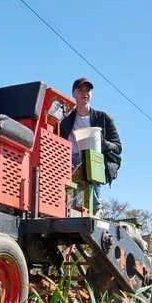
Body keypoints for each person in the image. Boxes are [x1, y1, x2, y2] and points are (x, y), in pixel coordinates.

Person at [59, 77, 121, 216]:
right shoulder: (65, 120)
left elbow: (118, 147)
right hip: (71, 160)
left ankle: (95, 207)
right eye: (80, 90)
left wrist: (101, 143)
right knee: (75, 163)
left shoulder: (103, 118)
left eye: (87, 90)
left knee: (91, 160)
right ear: (73, 94)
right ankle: (70, 206)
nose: (84, 93)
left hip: (95, 159)